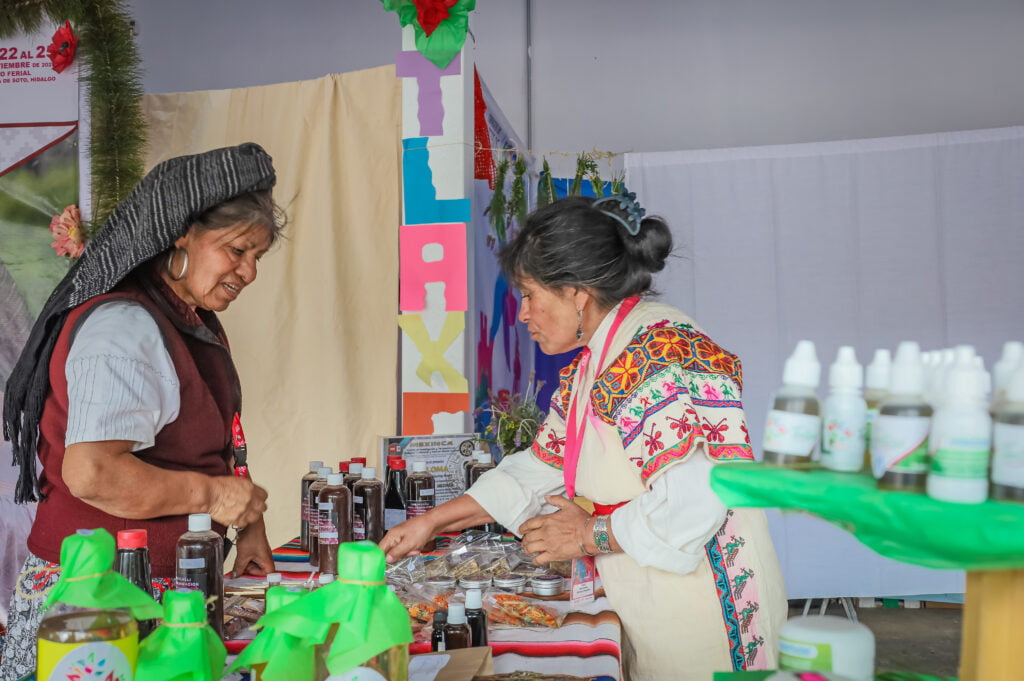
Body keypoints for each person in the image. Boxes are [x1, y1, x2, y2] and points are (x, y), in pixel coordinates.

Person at [381, 194, 787, 680]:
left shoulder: (658, 352)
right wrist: (431, 523)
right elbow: (540, 468)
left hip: (707, 608)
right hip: (654, 600)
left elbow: (698, 496)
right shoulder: (596, 363)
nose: (523, 314)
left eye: (530, 295)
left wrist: (585, 534)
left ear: (576, 293)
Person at [0, 143, 282, 678]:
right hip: (100, 607)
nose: (248, 272)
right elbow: (93, 472)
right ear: (181, 236)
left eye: (257, 257)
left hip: (152, 592)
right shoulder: (123, 328)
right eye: (237, 250)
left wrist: (246, 523)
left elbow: (211, 444)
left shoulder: (186, 318)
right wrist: (214, 496)